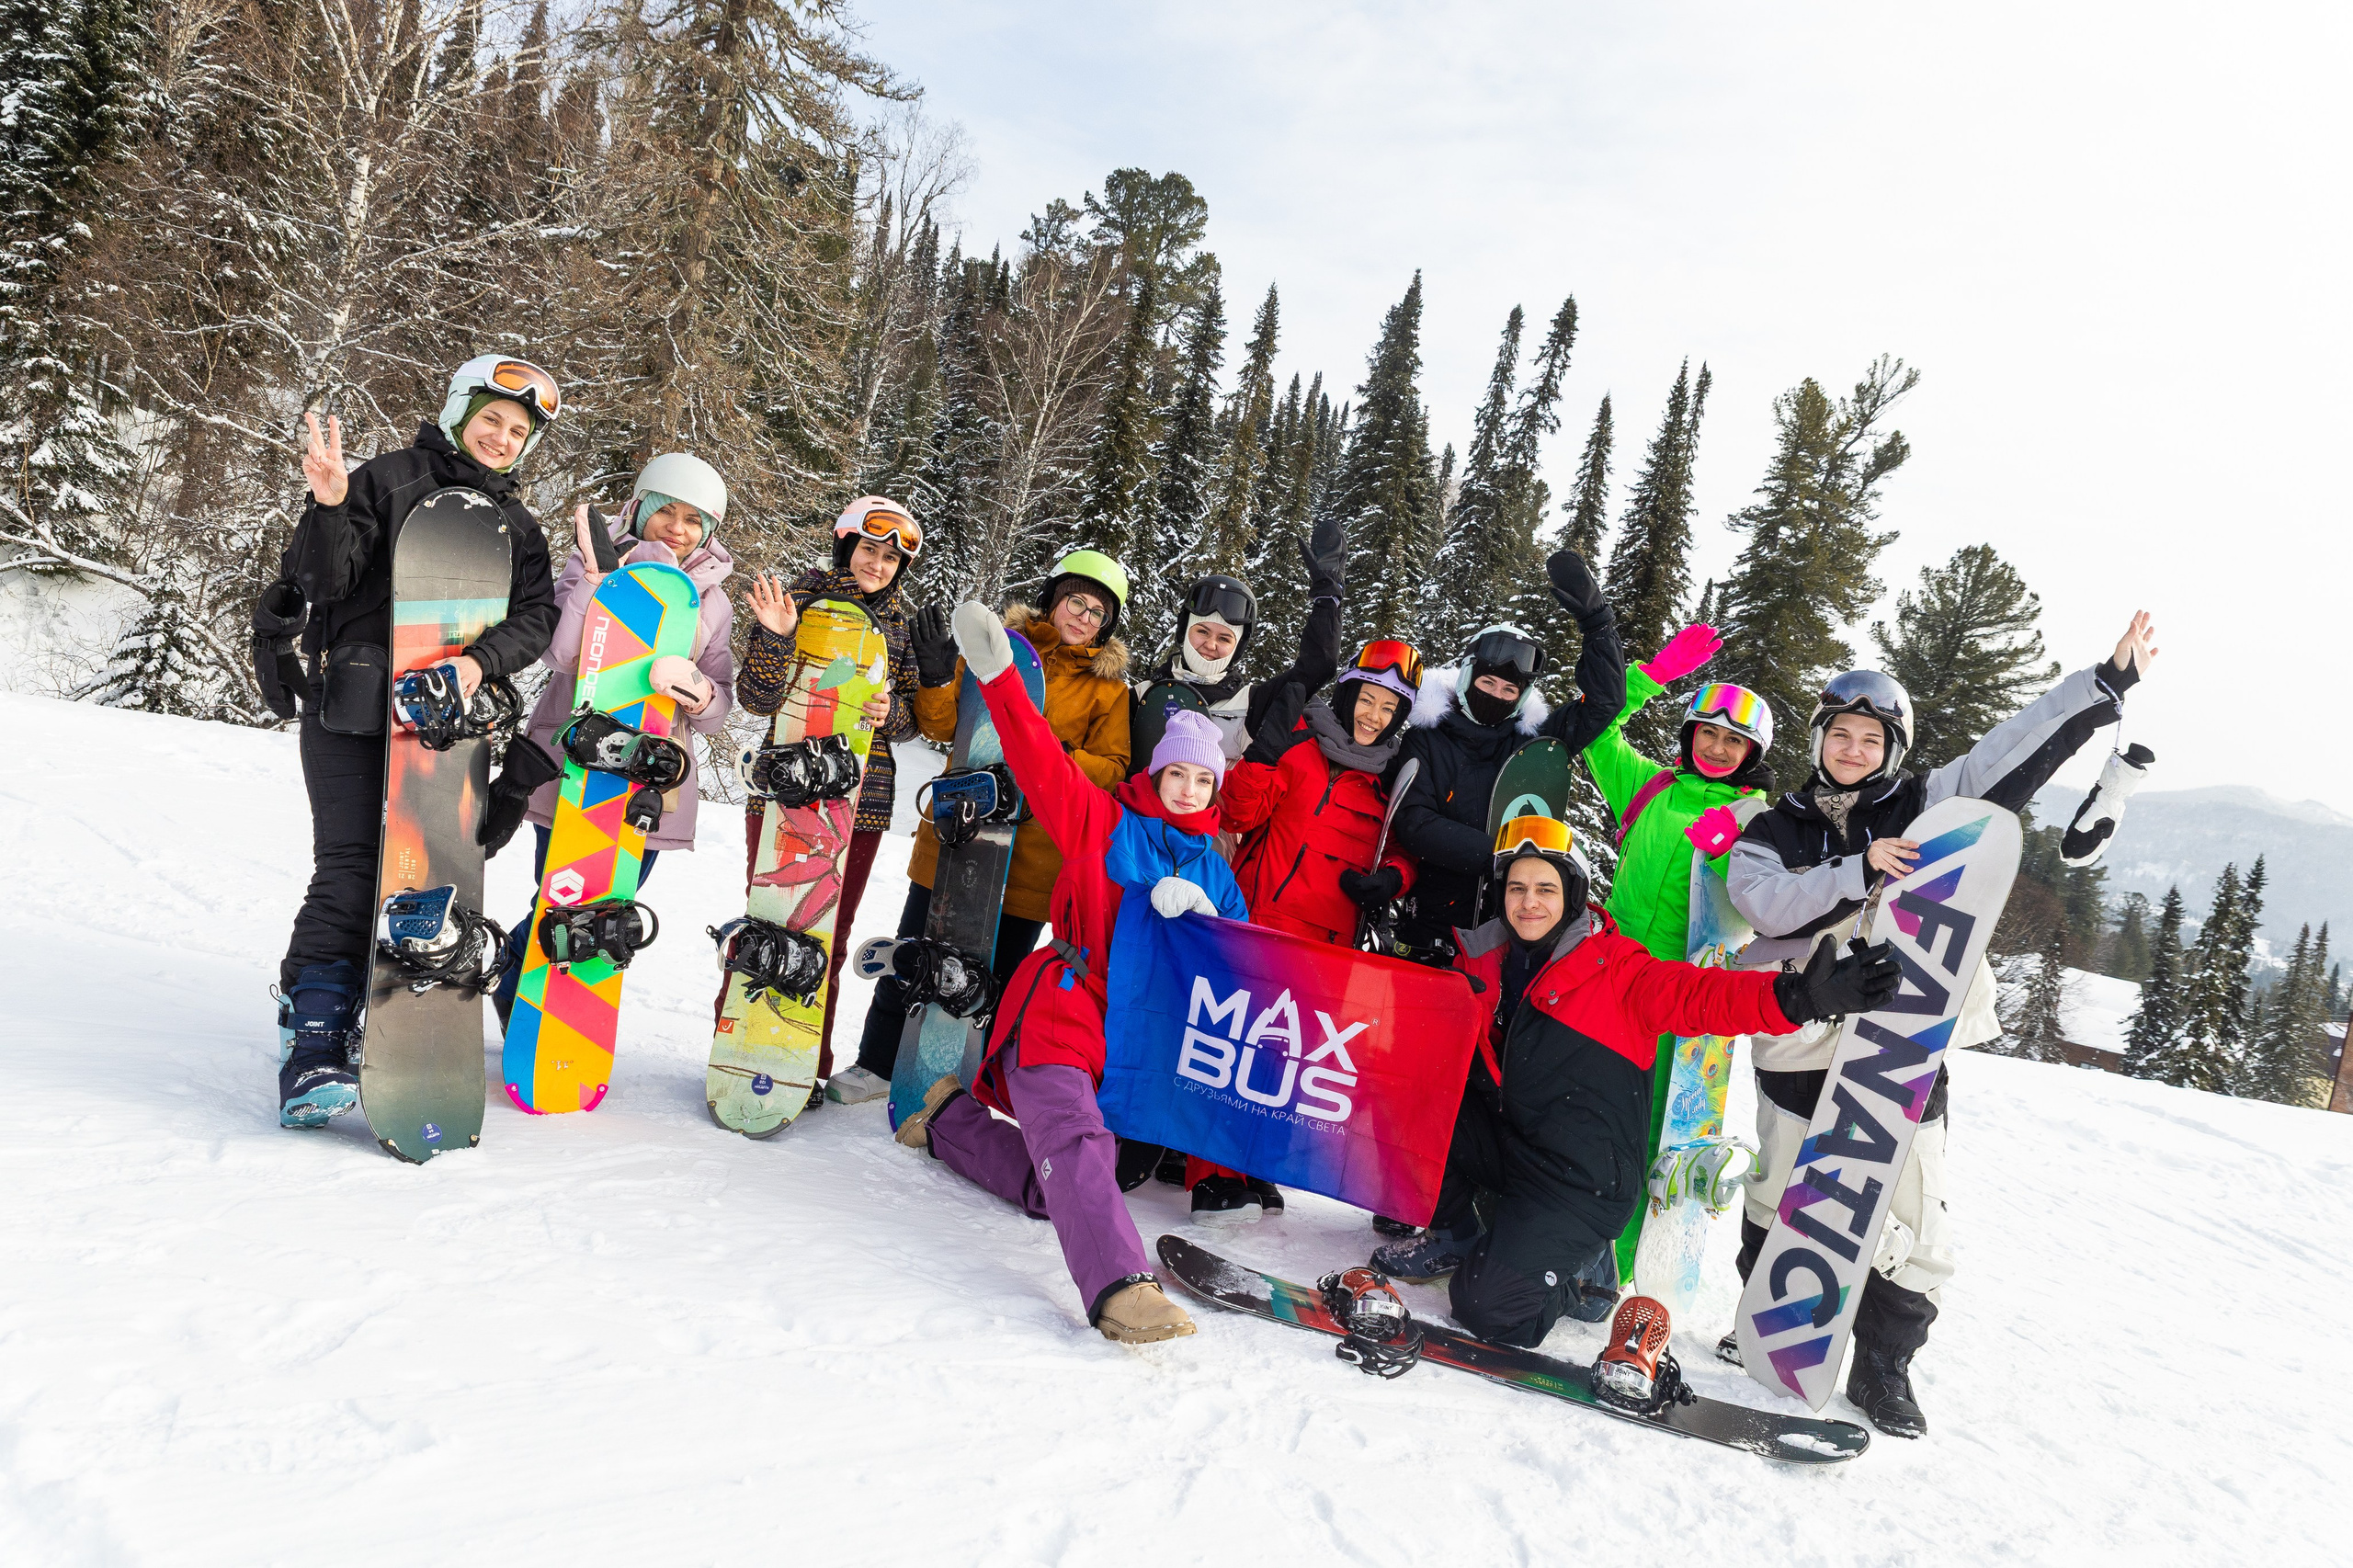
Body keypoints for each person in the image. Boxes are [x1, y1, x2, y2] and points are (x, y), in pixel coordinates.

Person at [1724, 611, 2161, 1438]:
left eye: (1870, 739)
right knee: (1781, 1183)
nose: (1853, 750)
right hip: (1801, 1025)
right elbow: (1763, 901)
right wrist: (1857, 869)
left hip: (1903, 1031)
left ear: (1892, 748)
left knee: (1912, 1202)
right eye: (1840, 734)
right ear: (1819, 738)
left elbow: (2011, 748)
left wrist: (2101, 686)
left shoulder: (1928, 802)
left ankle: (1884, 1366)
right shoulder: (1773, 824)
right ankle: (1770, 1318)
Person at [1367, 813, 1899, 1351]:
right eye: (1518, 888)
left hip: (1579, 1180)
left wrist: (1799, 1000)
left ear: (1572, 895)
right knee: (1414, 1093)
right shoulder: (1485, 958)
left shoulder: (1618, 969)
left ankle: (1586, 1277)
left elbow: (1702, 996)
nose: (1529, 902)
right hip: (1510, 1145)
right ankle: (1460, 1234)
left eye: (1546, 888)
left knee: (1489, 1307)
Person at [896, 605, 1246, 1345]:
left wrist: (1209, 926)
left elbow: (1242, 969)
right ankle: (1123, 1288)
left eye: (1201, 779)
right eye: (1175, 773)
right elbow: (1038, 761)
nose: (1187, 789)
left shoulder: (1218, 871)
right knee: (1078, 1147)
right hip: (1064, 1007)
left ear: (1217, 789)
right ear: (1156, 773)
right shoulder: (1105, 823)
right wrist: (997, 678)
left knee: (1055, 1184)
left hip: (1138, 1036)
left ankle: (948, 1119)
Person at [274, 357, 562, 1127]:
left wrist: (475, 665)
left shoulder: (517, 528)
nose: (502, 438)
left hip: (442, 726)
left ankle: (311, 997)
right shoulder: (389, 478)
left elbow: (537, 620)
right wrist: (330, 505)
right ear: (461, 409)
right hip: (352, 712)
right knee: (351, 869)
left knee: (420, 877)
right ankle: (315, 1047)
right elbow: (321, 583)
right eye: (491, 420)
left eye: (518, 430)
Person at [843, 551, 1133, 1098]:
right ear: (1054, 596)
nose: (1084, 617)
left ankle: (961, 1081)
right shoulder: (998, 649)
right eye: (1077, 600)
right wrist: (934, 675)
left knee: (991, 976)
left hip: (1032, 856)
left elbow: (1114, 770)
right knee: (914, 949)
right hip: (959, 833)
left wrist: (1051, 748)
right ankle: (876, 1064)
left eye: (1098, 612)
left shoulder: (1108, 691)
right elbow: (941, 724)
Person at [489, 454, 738, 1024]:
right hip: (574, 764)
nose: (678, 527)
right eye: (667, 512)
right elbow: (558, 654)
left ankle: (532, 993)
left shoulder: (713, 602)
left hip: (651, 777)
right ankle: (520, 999)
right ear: (641, 508)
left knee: (609, 903)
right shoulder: (594, 560)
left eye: (694, 520)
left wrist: (697, 689)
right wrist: (598, 582)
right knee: (560, 894)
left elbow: (717, 711)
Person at [1197, 638, 1424, 1221]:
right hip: (1261, 921)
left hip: (1327, 946)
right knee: (1233, 1051)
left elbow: (1400, 849)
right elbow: (1238, 816)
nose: (1374, 716)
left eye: (1388, 708)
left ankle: (1258, 1168)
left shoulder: (1388, 781)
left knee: (1289, 1063)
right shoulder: (1302, 749)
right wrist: (1263, 757)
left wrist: (1393, 879)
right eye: (1367, 700)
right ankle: (1214, 1177)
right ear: (1349, 694)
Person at [1577, 622, 1778, 1278]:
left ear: (1753, 753)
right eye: (1708, 734)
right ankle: (1556, 1233)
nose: (1718, 748)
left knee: (1655, 1126)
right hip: (1605, 973)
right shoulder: (1651, 787)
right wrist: (1650, 677)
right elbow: (1599, 732)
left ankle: (1620, 1261)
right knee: (1579, 1105)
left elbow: (1778, 899)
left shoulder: (1762, 820)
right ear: (1690, 735)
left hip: (1684, 1001)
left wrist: (1742, 841)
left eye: (1734, 740)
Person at [733, 497, 920, 1102]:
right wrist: (775, 636)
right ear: (847, 546)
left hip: (858, 802)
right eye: (870, 548)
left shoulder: (900, 625)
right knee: (767, 922)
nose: (879, 563)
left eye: (891, 557)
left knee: (824, 935)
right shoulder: (802, 599)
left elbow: (914, 716)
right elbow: (759, 699)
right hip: (785, 790)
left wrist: (893, 713)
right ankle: (734, 1047)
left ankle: (802, 1064)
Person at [1389, 551, 1626, 960]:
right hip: (1432, 928)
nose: (1496, 694)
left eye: (1508, 690)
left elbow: (1604, 702)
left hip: (1512, 931)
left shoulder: (1533, 744)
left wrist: (1598, 623)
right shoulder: (1427, 738)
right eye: (1488, 681)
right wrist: (1506, 855)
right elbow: (1414, 822)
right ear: (1467, 676)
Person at [1128, 514, 1347, 769]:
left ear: (1238, 647)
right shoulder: (1141, 695)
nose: (1210, 645)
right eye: (1202, 631)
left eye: (1224, 638)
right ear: (1183, 630)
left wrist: (1328, 602)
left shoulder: (1252, 703)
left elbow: (1318, 666)